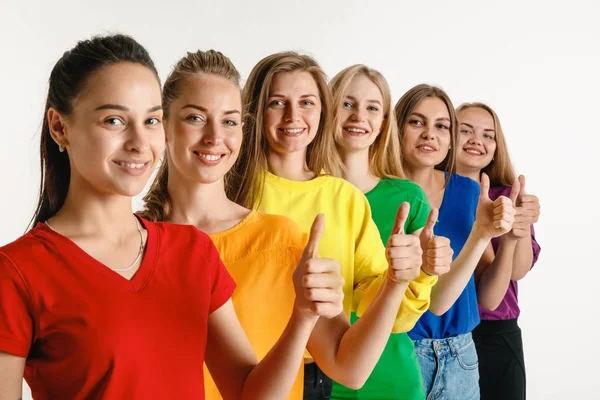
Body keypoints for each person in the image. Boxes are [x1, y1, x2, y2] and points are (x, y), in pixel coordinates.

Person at [0, 35, 337, 400]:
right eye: (114, 120)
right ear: (59, 127)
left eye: (151, 121)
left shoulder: (192, 251)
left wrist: (303, 317)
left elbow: (247, 394)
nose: (139, 142)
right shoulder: (17, 272)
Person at [140, 49, 427, 400]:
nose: (214, 137)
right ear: (161, 125)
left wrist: (396, 283)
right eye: (195, 118)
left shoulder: (283, 240)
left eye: (229, 121)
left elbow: (348, 369)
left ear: (243, 130)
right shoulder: (130, 243)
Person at [229, 52, 438, 399]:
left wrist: (407, 277)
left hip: (317, 378)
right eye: (277, 102)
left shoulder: (345, 198)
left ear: (322, 111)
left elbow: (382, 314)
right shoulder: (230, 190)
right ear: (254, 109)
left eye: (307, 102)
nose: (293, 116)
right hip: (234, 371)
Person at [328, 64, 454, 399]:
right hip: (315, 380)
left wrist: (427, 268)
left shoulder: (408, 198)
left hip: (392, 380)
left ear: (384, 123)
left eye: (372, 108)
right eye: (347, 103)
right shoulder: (307, 193)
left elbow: (413, 311)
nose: (359, 116)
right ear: (328, 110)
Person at [395, 84, 516, 399]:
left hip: (460, 355)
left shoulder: (469, 192)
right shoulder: (375, 192)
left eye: (441, 126)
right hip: (397, 350)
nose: (429, 135)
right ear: (396, 129)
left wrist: (507, 235)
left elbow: (488, 297)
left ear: (449, 140)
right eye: (416, 122)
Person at [456, 102, 541, 400]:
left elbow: (518, 272)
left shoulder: (508, 196)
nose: (476, 140)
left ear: (496, 147)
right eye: (465, 130)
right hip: (445, 332)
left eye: (488, 135)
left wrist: (517, 233)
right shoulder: (428, 192)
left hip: (497, 332)